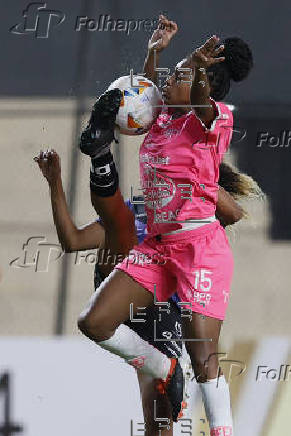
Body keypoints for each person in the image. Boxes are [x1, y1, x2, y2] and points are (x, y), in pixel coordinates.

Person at [76, 15, 254, 435]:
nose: (166, 81)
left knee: (204, 354)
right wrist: (156, 53)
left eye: (179, 76)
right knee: (94, 323)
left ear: (202, 86)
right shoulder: (163, 117)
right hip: (158, 248)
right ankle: (160, 365)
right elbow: (145, 96)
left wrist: (193, 67)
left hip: (199, 248)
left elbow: (197, 97)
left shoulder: (211, 122)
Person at [34, 148, 246, 435]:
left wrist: (197, 175)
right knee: (120, 226)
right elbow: (72, 240)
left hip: (163, 312)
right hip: (123, 287)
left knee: (158, 419)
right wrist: (54, 182)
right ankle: (101, 161)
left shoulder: (201, 209)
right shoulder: (139, 209)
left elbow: (233, 213)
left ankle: (165, 370)